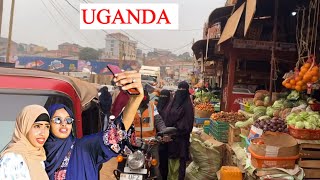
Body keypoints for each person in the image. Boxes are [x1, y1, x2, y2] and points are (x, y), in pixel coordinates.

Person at [44, 71, 144, 180]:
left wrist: (135, 99)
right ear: (48, 123)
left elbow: (115, 135)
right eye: (58, 120)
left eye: (68, 120)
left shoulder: (83, 148)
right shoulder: (37, 152)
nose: (64, 124)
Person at [0, 105, 51, 180]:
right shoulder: (12, 159)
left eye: (47, 127)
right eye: (37, 126)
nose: (43, 133)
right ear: (24, 127)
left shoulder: (38, 157)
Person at [133, 89, 168, 180]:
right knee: (126, 165)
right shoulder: (129, 108)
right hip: (134, 144)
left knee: (155, 169)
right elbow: (122, 123)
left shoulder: (152, 107)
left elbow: (159, 121)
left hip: (151, 143)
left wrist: (165, 133)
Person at [163, 81, 195, 180]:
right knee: (171, 163)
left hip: (181, 140)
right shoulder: (173, 103)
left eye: (183, 90)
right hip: (171, 139)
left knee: (180, 164)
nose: (181, 92)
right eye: (179, 89)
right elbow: (166, 118)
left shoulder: (187, 106)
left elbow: (188, 124)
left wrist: (176, 130)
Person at [156, 89, 172, 180]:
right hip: (155, 140)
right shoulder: (155, 108)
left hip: (166, 139)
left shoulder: (170, 109)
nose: (163, 98)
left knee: (163, 162)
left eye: (165, 97)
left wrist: (166, 133)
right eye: (162, 96)